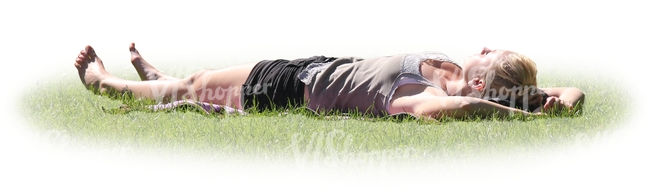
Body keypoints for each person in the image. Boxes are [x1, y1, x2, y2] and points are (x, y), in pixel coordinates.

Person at [74, 43, 585, 119]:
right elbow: (570, 93)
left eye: (486, 57)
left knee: (196, 84)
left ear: (479, 86)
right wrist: (550, 106)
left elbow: (452, 111)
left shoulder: (425, 95)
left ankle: (107, 84)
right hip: (318, 64)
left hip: (287, 87)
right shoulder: (457, 72)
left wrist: (518, 117)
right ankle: (159, 77)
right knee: (197, 81)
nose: (480, 50)